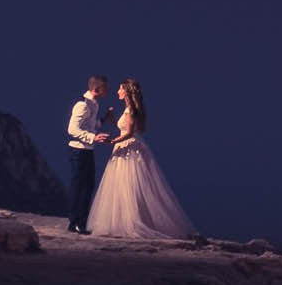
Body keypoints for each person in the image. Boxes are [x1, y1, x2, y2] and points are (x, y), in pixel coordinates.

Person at [85, 77, 199, 240]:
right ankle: (123, 220)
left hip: (129, 147)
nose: (117, 91)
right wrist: (111, 119)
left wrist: (112, 141)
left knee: (129, 183)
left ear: (126, 92)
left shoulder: (130, 110)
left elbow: (129, 133)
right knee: (123, 183)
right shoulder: (129, 110)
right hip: (126, 146)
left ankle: (130, 221)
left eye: (120, 89)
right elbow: (126, 127)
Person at [64, 73, 113, 234]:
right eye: (105, 88)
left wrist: (104, 119)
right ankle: (75, 223)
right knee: (79, 186)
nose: (107, 91)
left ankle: (81, 222)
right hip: (78, 150)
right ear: (97, 89)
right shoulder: (82, 104)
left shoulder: (94, 104)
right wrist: (93, 137)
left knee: (88, 186)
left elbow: (91, 125)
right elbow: (72, 129)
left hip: (87, 150)